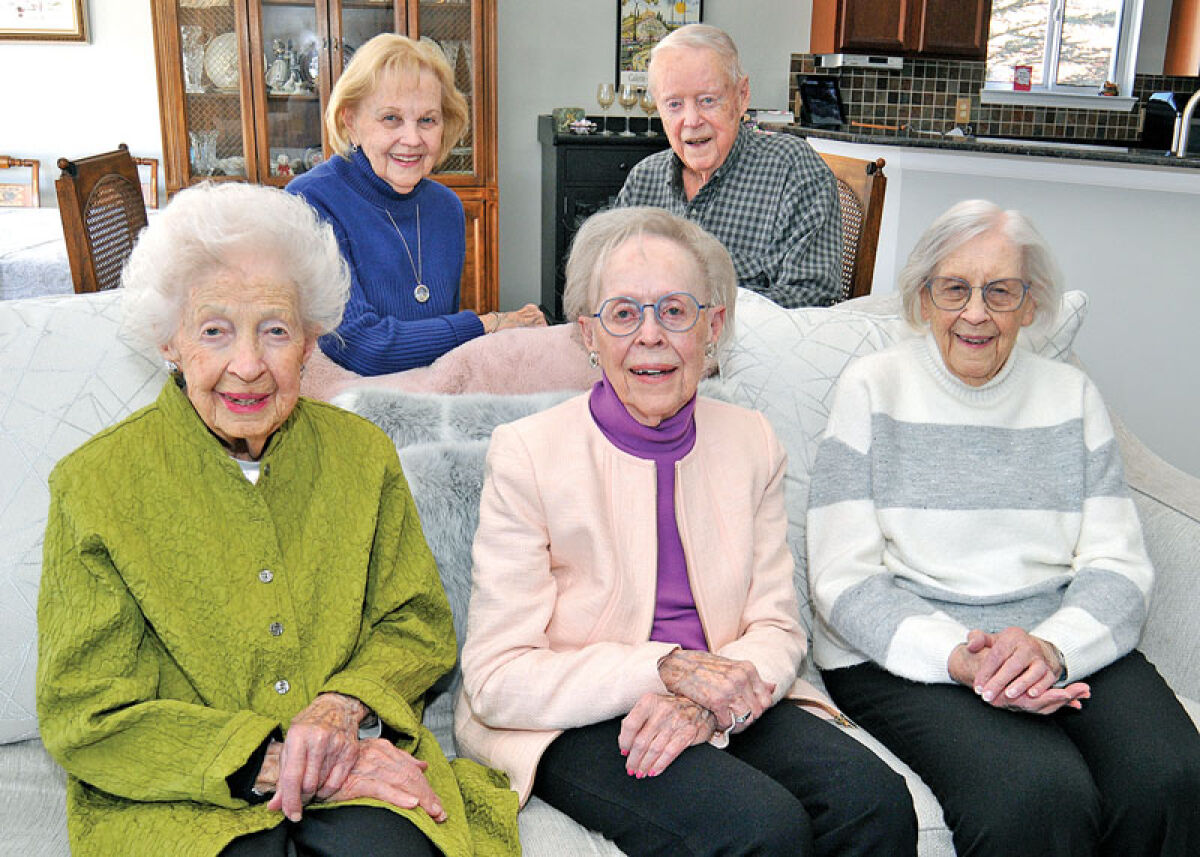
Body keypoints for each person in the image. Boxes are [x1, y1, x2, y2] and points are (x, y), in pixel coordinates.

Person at [36, 182, 518, 857]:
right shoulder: (96, 486)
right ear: (168, 340)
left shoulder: (362, 455)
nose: (248, 365)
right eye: (214, 330)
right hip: (184, 796)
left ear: (310, 341)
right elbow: (86, 712)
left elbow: (416, 623)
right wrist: (279, 758)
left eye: (275, 329)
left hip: (358, 769)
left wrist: (339, 709)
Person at [456, 206, 916, 857]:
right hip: (574, 710)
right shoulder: (529, 453)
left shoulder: (750, 440)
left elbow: (780, 627)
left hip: (723, 685)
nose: (650, 336)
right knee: (759, 826)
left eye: (675, 310)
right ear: (588, 334)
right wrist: (664, 670)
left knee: (875, 800)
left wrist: (708, 700)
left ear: (713, 327)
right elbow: (497, 676)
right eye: (622, 313)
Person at [808, 199, 1200, 857]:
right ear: (924, 297)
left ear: (1030, 303)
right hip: (908, 650)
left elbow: (1118, 565)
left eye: (1000, 291)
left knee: (1172, 776)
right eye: (955, 288)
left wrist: (1050, 648)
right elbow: (843, 579)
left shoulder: (1069, 395)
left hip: (1049, 633)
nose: (976, 312)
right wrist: (960, 654)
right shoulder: (871, 389)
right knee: (1038, 794)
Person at [287, 33, 543, 376]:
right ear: (351, 121)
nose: (412, 139)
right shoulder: (310, 202)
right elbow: (362, 347)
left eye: (427, 120)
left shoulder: (447, 208)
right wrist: (491, 324)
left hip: (427, 403)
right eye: (391, 118)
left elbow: (442, 348)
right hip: (344, 407)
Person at [616, 24, 842, 308]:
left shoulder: (794, 172)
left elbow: (810, 298)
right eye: (674, 104)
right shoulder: (643, 181)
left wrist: (692, 318)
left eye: (707, 100)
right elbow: (607, 275)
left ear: (742, 95)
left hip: (751, 349)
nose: (691, 120)